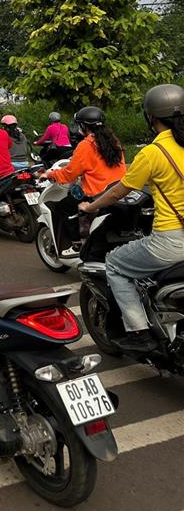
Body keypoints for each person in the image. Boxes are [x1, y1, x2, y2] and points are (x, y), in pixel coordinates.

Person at [79, 85, 184, 352]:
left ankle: (138, 332)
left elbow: (118, 192)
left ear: (151, 117)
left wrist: (90, 208)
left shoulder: (153, 153)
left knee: (115, 263)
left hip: (171, 240)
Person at [40, 106, 127, 255]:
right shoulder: (114, 141)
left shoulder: (86, 145)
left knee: (64, 206)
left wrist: (49, 174)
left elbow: (69, 175)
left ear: (83, 126)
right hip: (117, 189)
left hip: (97, 193)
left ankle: (76, 244)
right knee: (76, 194)